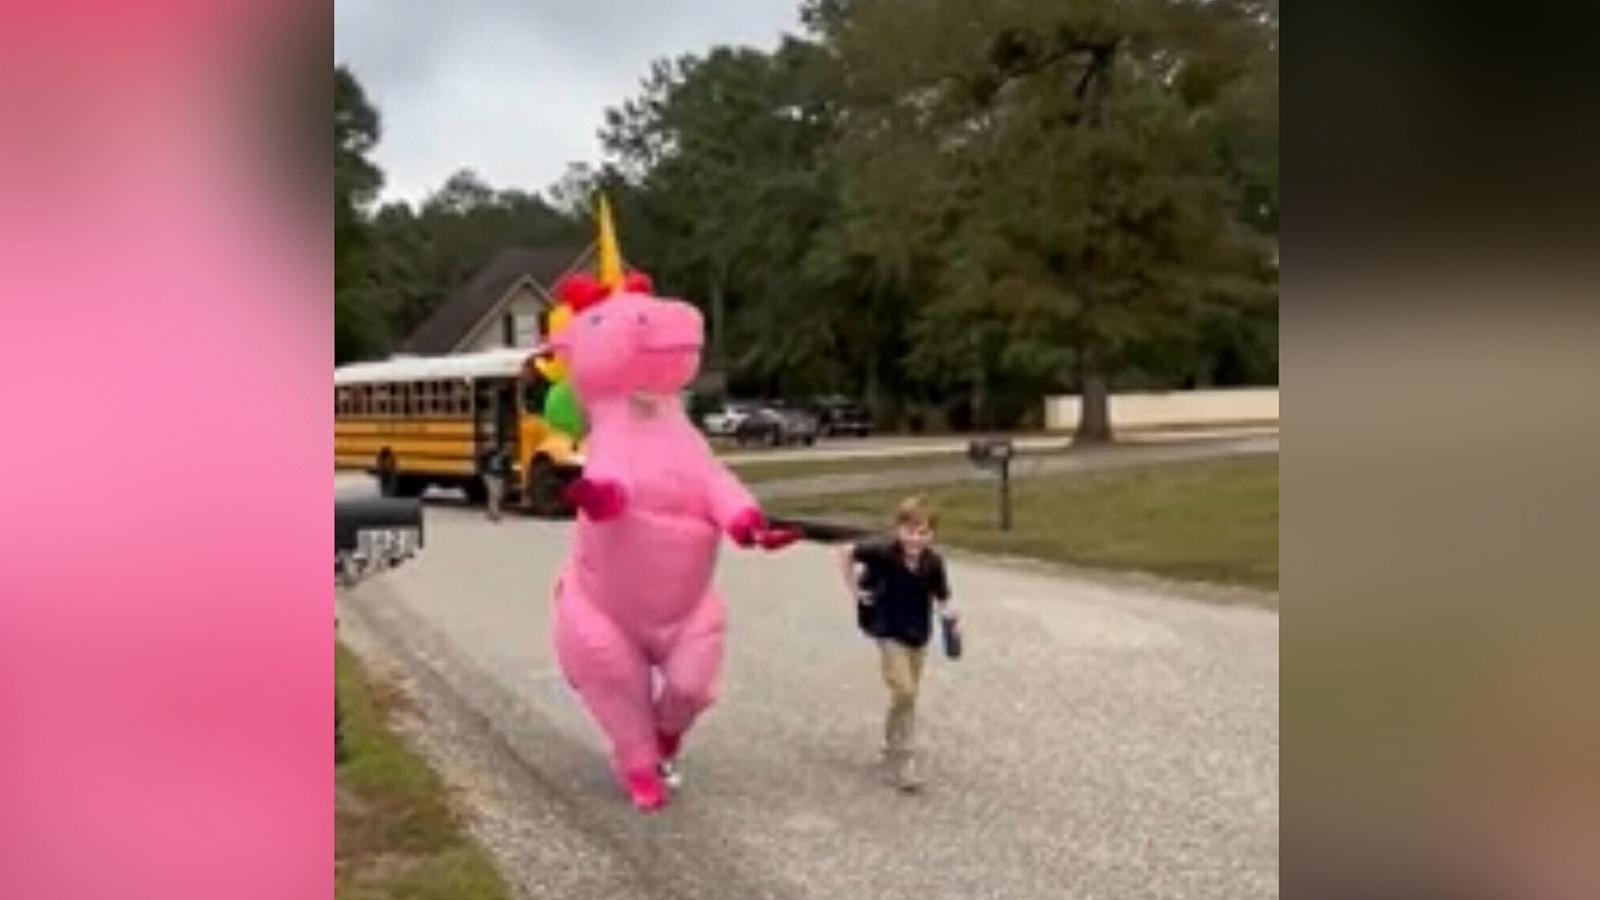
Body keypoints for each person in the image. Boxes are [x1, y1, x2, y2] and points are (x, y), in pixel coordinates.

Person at [837, 496, 959, 791]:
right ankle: (905, 762)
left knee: (906, 695)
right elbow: (845, 551)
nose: (916, 539)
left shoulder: (933, 563)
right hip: (887, 630)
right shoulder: (882, 552)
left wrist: (950, 616)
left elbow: (942, 596)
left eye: (923, 533)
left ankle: (891, 742)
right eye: (910, 531)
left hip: (917, 633)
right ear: (898, 530)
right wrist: (855, 592)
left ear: (932, 535)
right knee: (905, 690)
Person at [479, 444, 508, 522]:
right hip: (490, 476)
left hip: (499, 476)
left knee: (497, 495)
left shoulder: (503, 455)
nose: (493, 446)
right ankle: (495, 514)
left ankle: (490, 512)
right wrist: (483, 474)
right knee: (493, 493)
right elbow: (481, 462)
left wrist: (505, 474)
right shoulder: (487, 454)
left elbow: (507, 466)